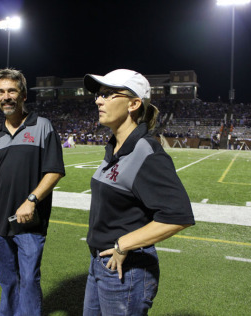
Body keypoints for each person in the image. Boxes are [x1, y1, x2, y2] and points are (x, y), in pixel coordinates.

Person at [82, 69, 195, 315]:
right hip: (100, 263)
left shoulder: (146, 152)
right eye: (99, 94)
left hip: (127, 269)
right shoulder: (114, 146)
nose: (98, 100)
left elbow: (178, 215)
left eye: (109, 94)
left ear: (133, 104)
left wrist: (124, 244)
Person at [0, 68, 65, 315]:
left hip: (29, 225)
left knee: (28, 281)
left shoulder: (42, 126)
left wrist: (31, 200)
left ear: (23, 95)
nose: (6, 96)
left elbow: (54, 171)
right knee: (8, 282)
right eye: (1, 92)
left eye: (12, 91)